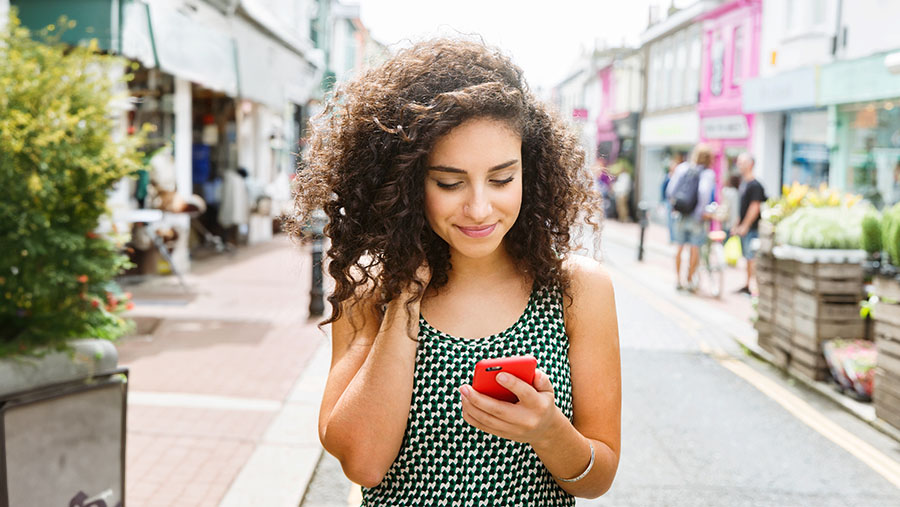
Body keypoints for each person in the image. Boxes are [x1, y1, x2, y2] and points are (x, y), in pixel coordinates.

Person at [293, 39, 621, 505]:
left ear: (530, 171)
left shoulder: (578, 287)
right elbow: (363, 463)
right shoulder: (372, 285)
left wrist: (549, 432)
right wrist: (405, 295)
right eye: (449, 182)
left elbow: (598, 477)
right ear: (406, 182)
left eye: (503, 178)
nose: (479, 208)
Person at [666, 144, 716, 292]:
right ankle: (688, 280)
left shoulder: (683, 168)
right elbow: (704, 192)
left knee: (679, 248)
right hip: (696, 217)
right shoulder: (707, 173)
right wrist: (700, 212)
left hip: (680, 214)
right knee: (695, 248)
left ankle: (678, 280)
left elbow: (670, 191)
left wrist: (675, 206)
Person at [732, 153, 766, 295]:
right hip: (745, 227)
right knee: (747, 257)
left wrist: (745, 225)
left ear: (750, 164)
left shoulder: (755, 185)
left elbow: (754, 207)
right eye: (738, 162)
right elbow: (743, 207)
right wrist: (737, 224)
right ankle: (747, 285)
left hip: (752, 228)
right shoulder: (744, 183)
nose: (739, 165)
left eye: (742, 162)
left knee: (753, 258)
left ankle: (755, 288)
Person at [662, 151, 686, 244]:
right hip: (669, 201)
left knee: (676, 221)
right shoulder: (668, 177)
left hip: (677, 202)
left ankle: (676, 238)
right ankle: (672, 238)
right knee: (670, 220)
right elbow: (664, 189)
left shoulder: (679, 176)